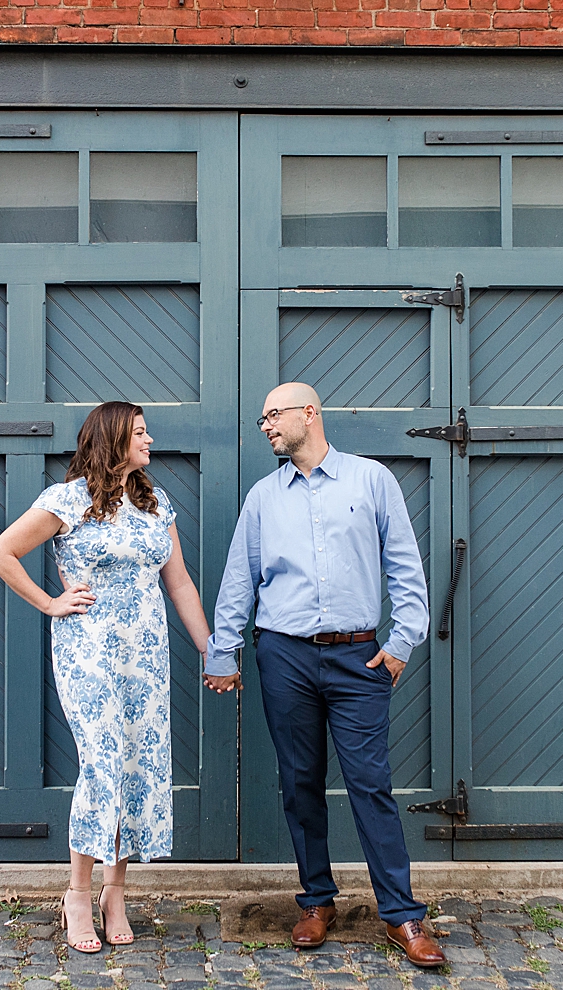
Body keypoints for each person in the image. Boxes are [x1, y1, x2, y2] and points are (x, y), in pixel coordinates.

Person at [203, 382, 446, 968]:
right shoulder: (264, 496)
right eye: (262, 417)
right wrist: (223, 651)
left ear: (308, 414)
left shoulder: (371, 480)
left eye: (272, 415)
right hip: (283, 656)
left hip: (358, 658)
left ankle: (402, 915)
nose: (265, 425)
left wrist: (399, 645)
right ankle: (317, 901)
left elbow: (406, 570)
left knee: (370, 785)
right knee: (300, 782)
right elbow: (241, 578)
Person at [0, 401, 213, 954]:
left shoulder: (157, 504)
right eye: (140, 432)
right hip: (89, 653)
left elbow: (179, 584)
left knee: (136, 764)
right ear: (113, 439)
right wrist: (50, 602)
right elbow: (2, 552)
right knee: (103, 763)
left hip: (146, 655)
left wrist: (211, 651)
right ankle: (78, 894)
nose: (151, 439)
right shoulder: (67, 500)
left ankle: (117, 893)